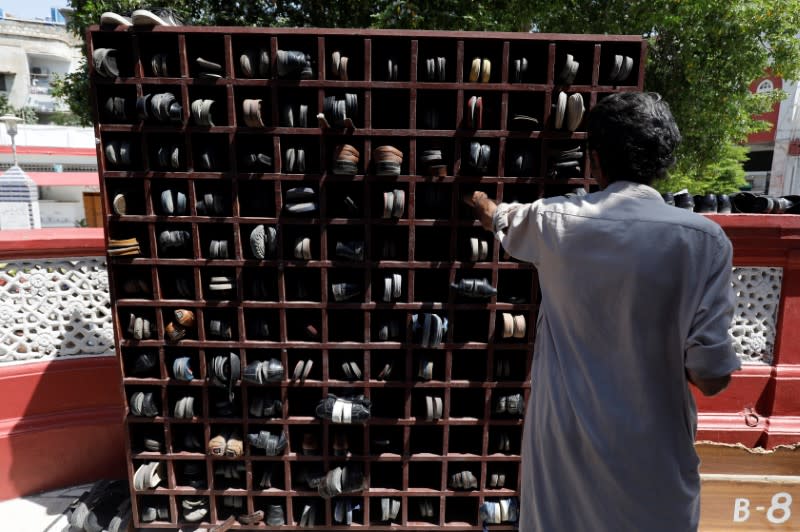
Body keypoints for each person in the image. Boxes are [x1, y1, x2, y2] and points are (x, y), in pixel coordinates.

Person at [466, 92, 740, 532]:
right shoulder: (705, 241)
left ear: (594, 161)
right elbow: (712, 377)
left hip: (564, 466)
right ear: (664, 161)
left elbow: (501, 218)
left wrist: (479, 204)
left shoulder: (553, 222)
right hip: (655, 469)